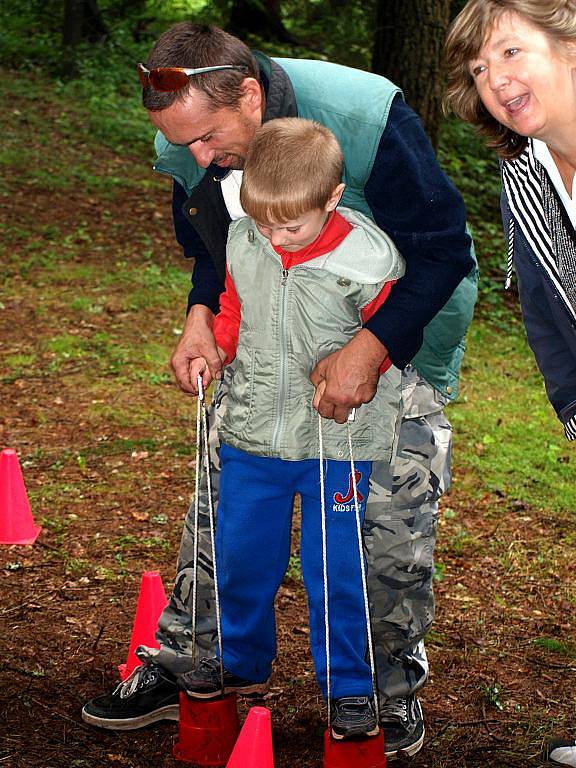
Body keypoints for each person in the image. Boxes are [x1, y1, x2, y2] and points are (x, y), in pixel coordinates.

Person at [82, 22, 478, 759]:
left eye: (206, 138)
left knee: (382, 535)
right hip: (263, 340)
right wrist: (202, 315)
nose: (195, 156)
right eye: (183, 146)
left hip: (394, 342)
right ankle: (195, 665)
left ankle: (381, 695)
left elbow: (441, 247)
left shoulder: (366, 116)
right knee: (223, 511)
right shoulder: (187, 133)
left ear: (252, 94)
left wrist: (375, 347)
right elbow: (212, 246)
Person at [178, 117, 404, 741]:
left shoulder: (368, 257)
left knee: (336, 567)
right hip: (255, 435)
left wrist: (367, 357)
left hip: (338, 444)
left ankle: (351, 688)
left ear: (331, 199)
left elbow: (387, 336)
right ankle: (237, 660)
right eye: (264, 222)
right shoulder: (249, 237)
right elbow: (233, 304)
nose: (275, 237)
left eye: (290, 226)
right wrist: (215, 345)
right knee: (241, 554)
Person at [445, 1, 576, 765]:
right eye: (479, 69)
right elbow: (546, 313)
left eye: (509, 53)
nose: (495, 80)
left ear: (568, 46)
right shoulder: (524, 174)